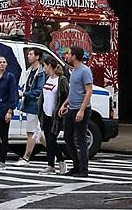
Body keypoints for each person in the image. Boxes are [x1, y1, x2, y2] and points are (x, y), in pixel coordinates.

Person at [59, 44, 93, 178]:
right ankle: (76, 165)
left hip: (81, 109)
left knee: (81, 139)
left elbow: (88, 91)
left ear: (74, 56)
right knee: (67, 137)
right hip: (71, 108)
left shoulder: (85, 71)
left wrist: (82, 110)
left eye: (69, 54)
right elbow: (73, 92)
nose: (67, 56)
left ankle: (84, 169)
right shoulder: (73, 71)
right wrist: (64, 105)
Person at [0, 53, 19, 166]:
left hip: (4, 109)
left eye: (4, 62)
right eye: (0, 62)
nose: (2, 64)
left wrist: (10, 110)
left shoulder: (10, 77)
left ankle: (2, 160)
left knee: (3, 135)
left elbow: (13, 93)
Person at [19, 47, 46, 163]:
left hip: (35, 105)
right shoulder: (29, 71)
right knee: (38, 133)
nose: (28, 56)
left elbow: (39, 90)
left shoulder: (41, 73)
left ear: (37, 57)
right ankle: (54, 152)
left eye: (30, 54)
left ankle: (26, 157)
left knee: (31, 132)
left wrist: (24, 94)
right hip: (29, 104)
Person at [40, 58, 66, 173]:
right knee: (48, 140)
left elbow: (65, 95)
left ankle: (61, 161)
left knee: (51, 140)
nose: (44, 68)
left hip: (55, 115)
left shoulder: (61, 80)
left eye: (45, 66)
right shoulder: (47, 79)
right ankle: (50, 164)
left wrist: (63, 108)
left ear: (50, 66)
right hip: (45, 113)